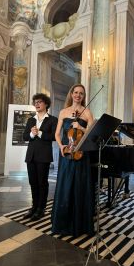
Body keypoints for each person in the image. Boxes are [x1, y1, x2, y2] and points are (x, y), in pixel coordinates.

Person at [51, 84, 95, 237]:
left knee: (79, 187)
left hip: (81, 155)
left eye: (81, 93)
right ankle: (63, 222)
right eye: (75, 92)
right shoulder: (63, 112)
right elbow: (57, 134)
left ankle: (80, 224)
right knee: (65, 186)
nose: (78, 95)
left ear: (84, 96)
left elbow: (92, 134)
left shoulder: (87, 112)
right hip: (67, 153)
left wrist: (81, 127)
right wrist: (61, 146)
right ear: (71, 94)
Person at [23, 93, 58, 221]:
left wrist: (41, 133)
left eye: (39, 102)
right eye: (35, 102)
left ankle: (41, 209)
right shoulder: (31, 120)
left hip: (43, 156)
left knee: (42, 183)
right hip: (31, 156)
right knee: (33, 182)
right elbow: (25, 136)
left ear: (46, 104)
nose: (37, 104)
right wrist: (32, 134)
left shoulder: (52, 119)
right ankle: (34, 207)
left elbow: (55, 136)